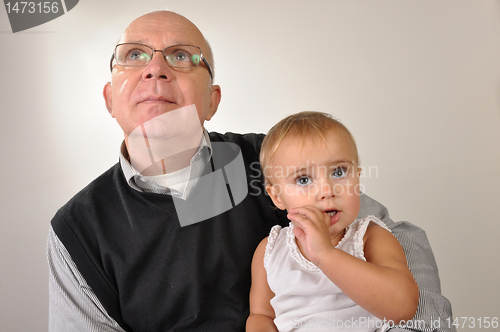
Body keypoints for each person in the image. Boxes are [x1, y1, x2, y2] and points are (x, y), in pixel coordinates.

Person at [47, 10, 454, 332]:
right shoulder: (79, 230)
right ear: (109, 98)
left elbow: (391, 233)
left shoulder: (276, 160)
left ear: (212, 100)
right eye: (133, 55)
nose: (155, 69)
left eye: (181, 56)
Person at [247, 111, 419, 332]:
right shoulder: (269, 251)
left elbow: (403, 307)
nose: (327, 191)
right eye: (304, 179)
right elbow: (261, 316)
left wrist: (326, 255)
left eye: (339, 172)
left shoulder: (369, 236)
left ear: (357, 177)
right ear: (277, 197)